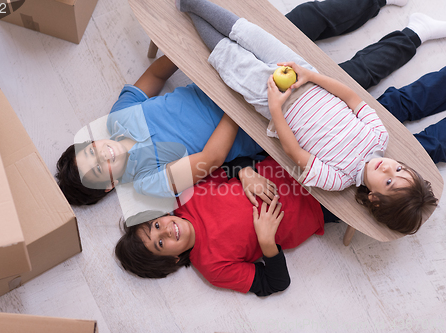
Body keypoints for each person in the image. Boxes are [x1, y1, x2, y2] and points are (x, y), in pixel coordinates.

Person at [56, 0, 440, 208]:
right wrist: (236, 94)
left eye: (90, 151)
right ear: (109, 188)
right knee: (357, 72)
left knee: (303, 20)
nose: (101, 155)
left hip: (231, 74)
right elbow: (214, 155)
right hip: (256, 110)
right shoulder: (149, 184)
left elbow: (155, 77)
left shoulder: (118, 117)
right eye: (99, 170)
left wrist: (189, 47)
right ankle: (413, 33)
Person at [177, 0, 440, 234]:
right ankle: (193, 2)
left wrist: (276, 106)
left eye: (389, 181)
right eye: (399, 168)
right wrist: (310, 75)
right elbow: (351, 98)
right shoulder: (379, 136)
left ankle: (187, 7)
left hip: (272, 101)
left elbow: (293, 150)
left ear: (374, 199)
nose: (388, 168)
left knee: (227, 57)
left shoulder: (338, 180)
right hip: (304, 77)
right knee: (248, 32)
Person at [115, 157, 325, 296]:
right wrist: (267, 241)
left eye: (157, 224)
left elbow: (229, 163)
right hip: (319, 206)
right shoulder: (213, 269)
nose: (167, 230)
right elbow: (276, 283)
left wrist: (245, 173)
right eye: (160, 243)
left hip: (289, 160)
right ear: (172, 259)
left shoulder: (187, 197)